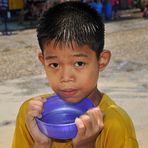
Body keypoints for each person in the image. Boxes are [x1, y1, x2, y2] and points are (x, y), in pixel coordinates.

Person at [12, 1, 139, 148]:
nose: (66, 78)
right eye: (54, 65)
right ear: (43, 61)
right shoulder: (31, 116)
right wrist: (41, 143)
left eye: (79, 63)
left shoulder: (115, 124)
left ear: (101, 61)